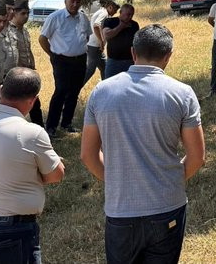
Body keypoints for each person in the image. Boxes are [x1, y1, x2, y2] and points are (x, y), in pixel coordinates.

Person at [81, 25, 206, 264]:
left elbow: (88, 155)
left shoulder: (101, 92)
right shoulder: (182, 94)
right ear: (168, 55)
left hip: (120, 210)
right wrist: (171, 181)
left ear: (133, 52)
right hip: (167, 206)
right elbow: (197, 156)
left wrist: (116, 180)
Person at [0, 67, 64, 264]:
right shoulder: (32, 132)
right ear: (33, 101)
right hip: (10, 229)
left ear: (1, 90)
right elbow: (56, 175)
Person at [38, 0, 93, 137]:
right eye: (72, 1)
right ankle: (51, 126)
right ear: (65, 2)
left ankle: (66, 123)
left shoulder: (83, 18)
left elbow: (87, 36)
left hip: (80, 60)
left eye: (78, 2)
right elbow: (42, 39)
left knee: (74, 92)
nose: (75, 4)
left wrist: (78, 48)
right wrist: (53, 55)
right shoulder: (55, 17)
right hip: (61, 60)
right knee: (61, 91)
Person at [6, 0, 43, 125]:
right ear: (14, 13)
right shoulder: (9, 32)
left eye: (28, 13)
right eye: (22, 13)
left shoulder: (25, 31)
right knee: (16, 107)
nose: (26, 16)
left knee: (35, 104)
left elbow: (28, 51)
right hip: (17, 76)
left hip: (28, 73)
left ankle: (40, 129)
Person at [102, 3, 140, 79]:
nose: (130, 17)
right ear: (120, 12)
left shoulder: (134, 24)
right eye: (128, 14)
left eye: (132, 15)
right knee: (110, 82)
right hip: (114, 60)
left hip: (130, 61)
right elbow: (107, 35)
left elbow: (137, 41)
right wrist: (121, 26)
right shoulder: (110, 21)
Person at [86, 0, 117, 86]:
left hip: (95, 46)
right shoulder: (104, 13)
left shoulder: (101, 11)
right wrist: (101, 41)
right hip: (94, 47)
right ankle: (74, 89)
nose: (115, 13)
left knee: (104, 67)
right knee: (90, 70)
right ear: (110, 7)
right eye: (115, 10)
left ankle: (105, 88)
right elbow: (96, 26)